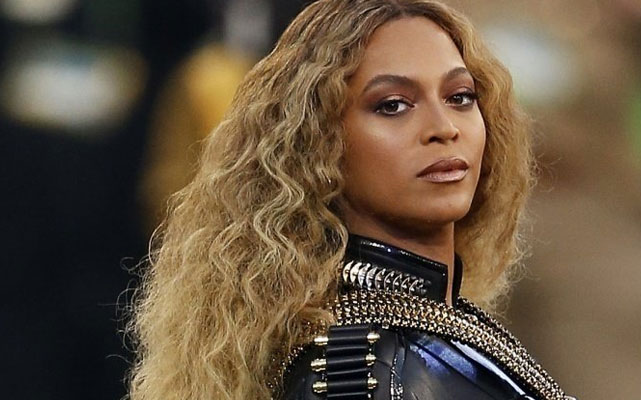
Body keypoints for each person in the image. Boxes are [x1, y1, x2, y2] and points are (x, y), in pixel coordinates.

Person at [127, 0, 576, 399]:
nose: (444, 127)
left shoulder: (430, 328)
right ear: (318, 145)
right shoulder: (365, 373)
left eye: (460, 97)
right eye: (393, 105)